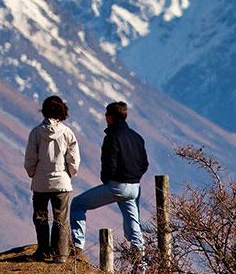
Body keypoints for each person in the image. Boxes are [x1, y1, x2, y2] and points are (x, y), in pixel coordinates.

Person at [70, 101, 149, 255]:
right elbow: (144, 163)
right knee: (133, 226)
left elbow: (109, 164)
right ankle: (141, 265)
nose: (105, 117)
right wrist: (135, 177)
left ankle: (77, 246)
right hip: (135, 187)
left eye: (106, 114)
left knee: (78, 204)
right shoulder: (137, 137)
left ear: (111, 117)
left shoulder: (112, 137)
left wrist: (107, 179)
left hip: (117, 186)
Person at [24, 95, 80, 262]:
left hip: (40, 181)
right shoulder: (68, 133)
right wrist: (69, 174)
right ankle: (60, 254)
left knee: (40, 217)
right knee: (60, 219)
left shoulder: (36, 133)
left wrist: (33, 173)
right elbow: (74, 160)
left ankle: (43, 251)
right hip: (61, 182)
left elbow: (30, 159)